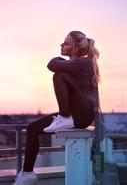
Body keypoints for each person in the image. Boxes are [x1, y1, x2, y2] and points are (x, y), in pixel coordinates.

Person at [13, 30, 100, 185]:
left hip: (81, 114)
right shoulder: (73, 64)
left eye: (66, 43)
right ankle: (27, 174)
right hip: (77, 114)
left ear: (74, 48)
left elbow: (52, 64)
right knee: (33, 128)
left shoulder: (83, 62)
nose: (61, 44)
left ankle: (64, 118)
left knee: (58, 75)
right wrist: (61, 60)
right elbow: (56, 64)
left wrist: (58, 60)